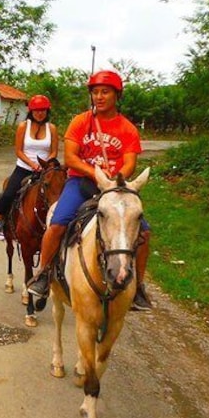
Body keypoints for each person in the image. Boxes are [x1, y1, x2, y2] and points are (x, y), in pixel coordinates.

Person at [26, 70, 153, 311]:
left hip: (114, 189)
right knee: (58, 223)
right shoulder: (81, 122)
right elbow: (71, 158)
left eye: (105, 92)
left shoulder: (127, 129)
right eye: (95, 92)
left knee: (144, 233)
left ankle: (138, 287)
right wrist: (96, 173)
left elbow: (130, 163)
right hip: (81, 182)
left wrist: (115, 180)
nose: (99, 97)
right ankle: (42, 273)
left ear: (117, 95)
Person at [0, 95, 59, 238]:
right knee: (8, 194)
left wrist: (46, 164)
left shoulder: (51, 128)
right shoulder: (23, 126)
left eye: (43, 110)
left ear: (47, 111)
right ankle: (0, 221)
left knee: (57, 194)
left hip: (46, 169)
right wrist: (33, 164)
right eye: (36, 110)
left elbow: (54, 151)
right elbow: (18, 151)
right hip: (24, 167)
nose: (40, 113)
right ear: (31, 111)